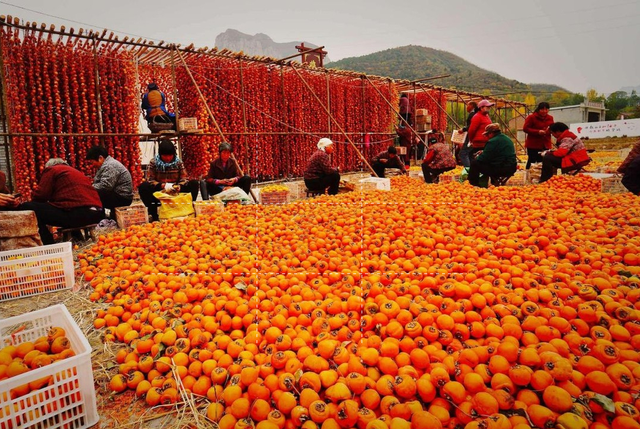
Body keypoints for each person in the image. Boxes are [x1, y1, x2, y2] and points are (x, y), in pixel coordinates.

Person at [18, 159, 104, 244]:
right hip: (96, 214)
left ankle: (48, 244)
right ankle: (77, 238)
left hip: (79, 214)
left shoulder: (52, 170)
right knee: (68, 207)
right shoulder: (74, 171)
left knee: (29, 207)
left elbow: (41, 196)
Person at [138, 139, 199, 222]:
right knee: (143, 186)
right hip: (160, 191)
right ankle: (153, 213)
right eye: (165, 156)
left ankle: (189, 208)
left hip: (176, 190)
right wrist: (162, 185)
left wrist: (179, 186)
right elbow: (150, 179)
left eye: (170, 155)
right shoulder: (153, 163)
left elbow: (184, 178)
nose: (168, 158)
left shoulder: (178, 163)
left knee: (194, 183)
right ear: (160, 155)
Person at [86, 146, 133, 218]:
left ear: (100, 158)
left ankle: (98, 217)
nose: (92, 165)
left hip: (122, 197)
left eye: (92, 162)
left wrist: (88, 188)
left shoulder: (110, 165)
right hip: (117, 195)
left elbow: (105, 186)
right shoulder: (105, 165)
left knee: (94, 195)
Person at [523, 102, 554, 169]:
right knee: (532, 161)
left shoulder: (550, 118)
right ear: (538, 109)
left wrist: (548, 131)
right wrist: (537, 132)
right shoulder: (531, 117)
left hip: (546, 143)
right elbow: (525, 128)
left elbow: (552, 128)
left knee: (544, 161)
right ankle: (529, 176)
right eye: (542, 109)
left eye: (546, 109)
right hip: (533, 144)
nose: (544, 111)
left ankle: (541, 177)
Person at [457, 101, 478, 168]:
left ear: (471, 106)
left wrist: (463, 129)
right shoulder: (476, 114)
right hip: (475, 137)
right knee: (470, 154)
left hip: (471, 137)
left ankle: (468, 171)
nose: (466, 107)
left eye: (467, 105)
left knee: (462, 153)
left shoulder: (473, 114)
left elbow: (471, 125)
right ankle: (473, 171)